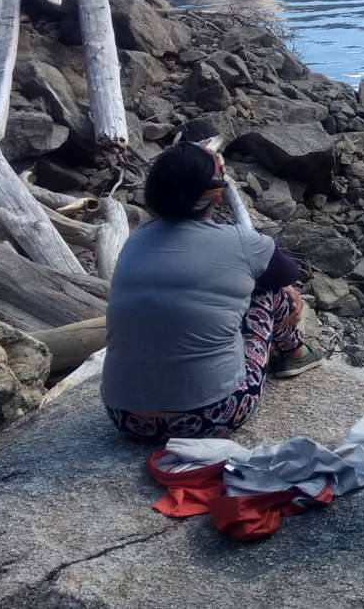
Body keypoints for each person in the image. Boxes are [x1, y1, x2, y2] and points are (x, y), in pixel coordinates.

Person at [102, 142, 324, 443]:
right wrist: (279, 284)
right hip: (210, 414)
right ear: (215, 194)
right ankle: (294, 354)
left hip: (125, 417)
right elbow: (287, 273)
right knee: (271, 291)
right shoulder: (242, 242)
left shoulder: (134, 241)